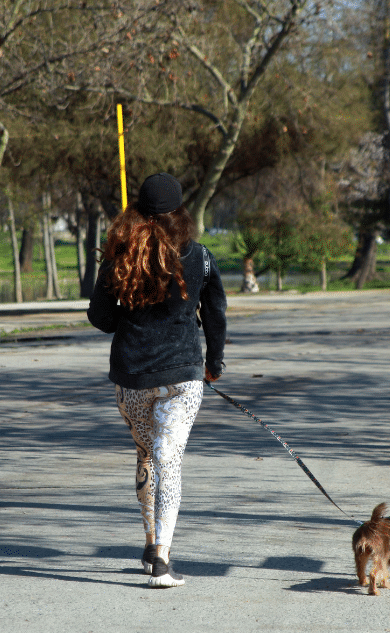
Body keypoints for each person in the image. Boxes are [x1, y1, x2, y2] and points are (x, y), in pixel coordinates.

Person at [87, 172, 227, 588]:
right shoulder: (199, 256)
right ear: (180, 213)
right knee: (170, 460)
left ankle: (150, 544)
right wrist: (213, 364)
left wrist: (127, 309)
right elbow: (216, 315)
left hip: (131, 376)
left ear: (137, 213)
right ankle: (162, 558)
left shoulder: (119, 256)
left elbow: (100, 318)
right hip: (182, 376)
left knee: (147, 455)